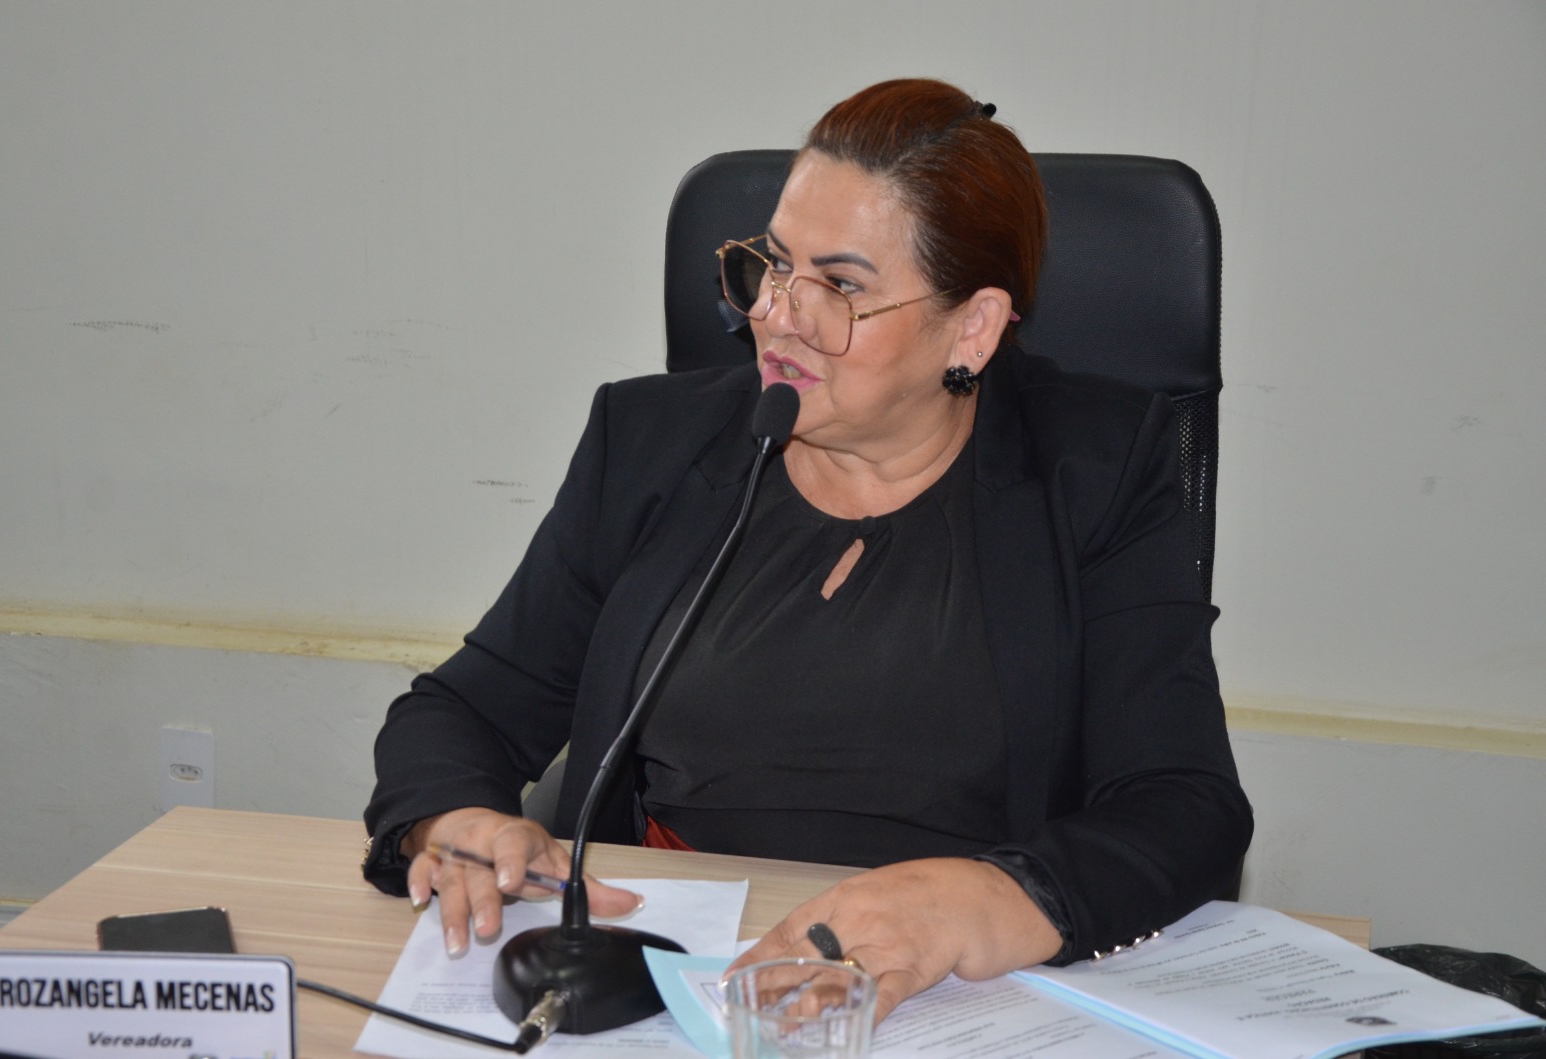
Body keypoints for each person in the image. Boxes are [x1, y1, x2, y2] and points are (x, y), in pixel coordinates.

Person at [364, 77, 1252, 1025]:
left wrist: (991, 899)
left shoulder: (1097, 470)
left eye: (842, 285)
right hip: (680, 979)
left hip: (954, 990)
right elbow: (462, 709)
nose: (777, 313)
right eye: (775, 264)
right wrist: (457, 817)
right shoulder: (649, 443)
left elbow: (1184, 803)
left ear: (974, 327)